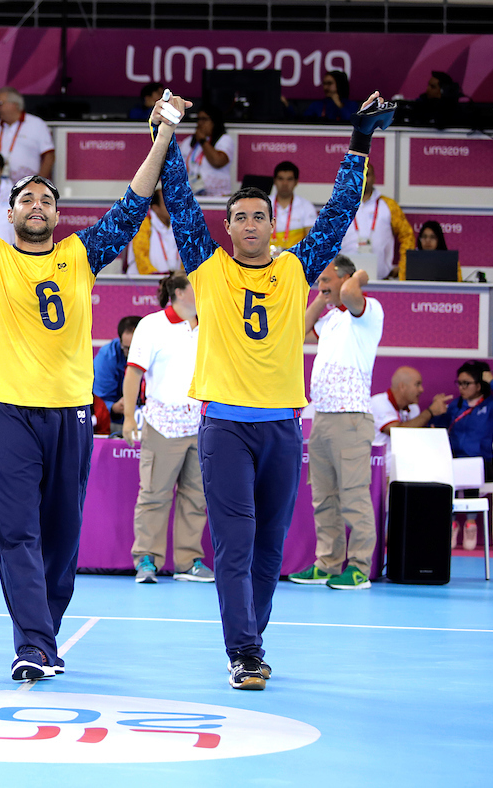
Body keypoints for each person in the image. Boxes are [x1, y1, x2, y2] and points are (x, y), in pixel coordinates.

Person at [0, 91, 185, 680]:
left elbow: (134, 202)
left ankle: (42, 632)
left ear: (57, 215)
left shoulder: (82, 255)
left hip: (70, 417)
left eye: (45, 199)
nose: (36, 204)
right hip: (7, 413)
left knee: (61, 539)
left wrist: (163, 133)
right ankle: (31, 643)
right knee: (16, 532)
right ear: (9, 214)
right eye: (25, 198)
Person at [156, 89, 390, 689]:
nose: (251, 223)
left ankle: (251, 637)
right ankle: (244, 650)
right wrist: (171, 132)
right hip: (227, 429)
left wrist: (361, 140)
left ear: (272, 224)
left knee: (268, 547)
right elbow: (179, 200)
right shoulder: (207, 268)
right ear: (228, 226)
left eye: (260, 215)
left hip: (283, 429)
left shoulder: (295, 267)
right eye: (240, 216)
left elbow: (339, 211)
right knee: (234, 543)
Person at [290, 255, 384, 590]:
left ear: (345, 279)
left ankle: (359, 568)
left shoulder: (368, 313)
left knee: (354, 496)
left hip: (351, 418)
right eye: (319, 282)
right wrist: (322, 294)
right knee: (324, 497)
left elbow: (349, 294)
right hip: (324, 419)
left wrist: (358, 274)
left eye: (326, 281)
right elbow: (299, 328)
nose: (322, 287)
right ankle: (328, 563)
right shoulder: (330, 320)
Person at [122, 273, 211, 585]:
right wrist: (130, 417)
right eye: (195, 288)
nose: (202, 292)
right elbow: (134, 374)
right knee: (154, 495)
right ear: (177, 292)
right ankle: (146, 558)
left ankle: (188, 561)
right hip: (161, 423)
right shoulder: (152, 325)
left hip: (200, 423)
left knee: (196, 496)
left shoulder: (209, 323)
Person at [432, 361, 493, 550]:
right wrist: (437, 411)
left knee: (470, 469)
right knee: (447, 473)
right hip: (455, 462)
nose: (462, 388)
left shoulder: (490, 405)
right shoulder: (454, 407)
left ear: (479, 384)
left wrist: (491, 381)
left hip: (482, 462)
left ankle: (471, 523)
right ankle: (451, 523)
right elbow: (438, 428)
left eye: (467, 383)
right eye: (459, 383)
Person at [339, 165, 414, 280]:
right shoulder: (339, 206)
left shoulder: (389, 206)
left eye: (367, 174)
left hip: (382, 280)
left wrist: (402, 268)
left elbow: (407, 236)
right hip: (343, 280)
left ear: (374, 178)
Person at [371, 366, 451, 449]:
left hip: (404, 460)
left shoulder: (414, 408)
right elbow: (397, 432)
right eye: (417, 384)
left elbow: (414, 438)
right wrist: (430, 412)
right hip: (380, 461)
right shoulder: (378, 402)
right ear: (402, 386)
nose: (421, 389)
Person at [0, 86, 54, 182]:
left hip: (27, 189)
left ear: (14, 105)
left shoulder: (36, 124)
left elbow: (49, 156)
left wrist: (39, 182)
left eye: (0, 104)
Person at [93, 316, 140, 426]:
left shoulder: (161, 356)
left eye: (136, 348)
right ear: (120, 342)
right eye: (127, 348)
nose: (131, 353)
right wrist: (114, 407)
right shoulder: (107, 357)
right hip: (117, 420)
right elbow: (98, 402)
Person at [182, 104, 233, 197]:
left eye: (204, 119)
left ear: (214, 121)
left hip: (218, 196)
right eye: (198, 119)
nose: (200, 123)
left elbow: (217, 161)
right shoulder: (188, 142)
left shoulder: (224, 139)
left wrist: (203, 141)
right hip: (193, 196)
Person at [126, 190, 178, 275]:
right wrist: (156, 275)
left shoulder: (178, 226)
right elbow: (141, 256)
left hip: (172, 282)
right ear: (155, 208)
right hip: (144, 282)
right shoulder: (143, 226)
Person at [270, 161, 318, 252]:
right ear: (274, 181)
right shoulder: (264, 204)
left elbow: (311, 240)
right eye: (281, 179)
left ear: (296, 182)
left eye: (289, 179)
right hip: (266, 260)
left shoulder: (306, 206)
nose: (284, 183)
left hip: (296, 259)